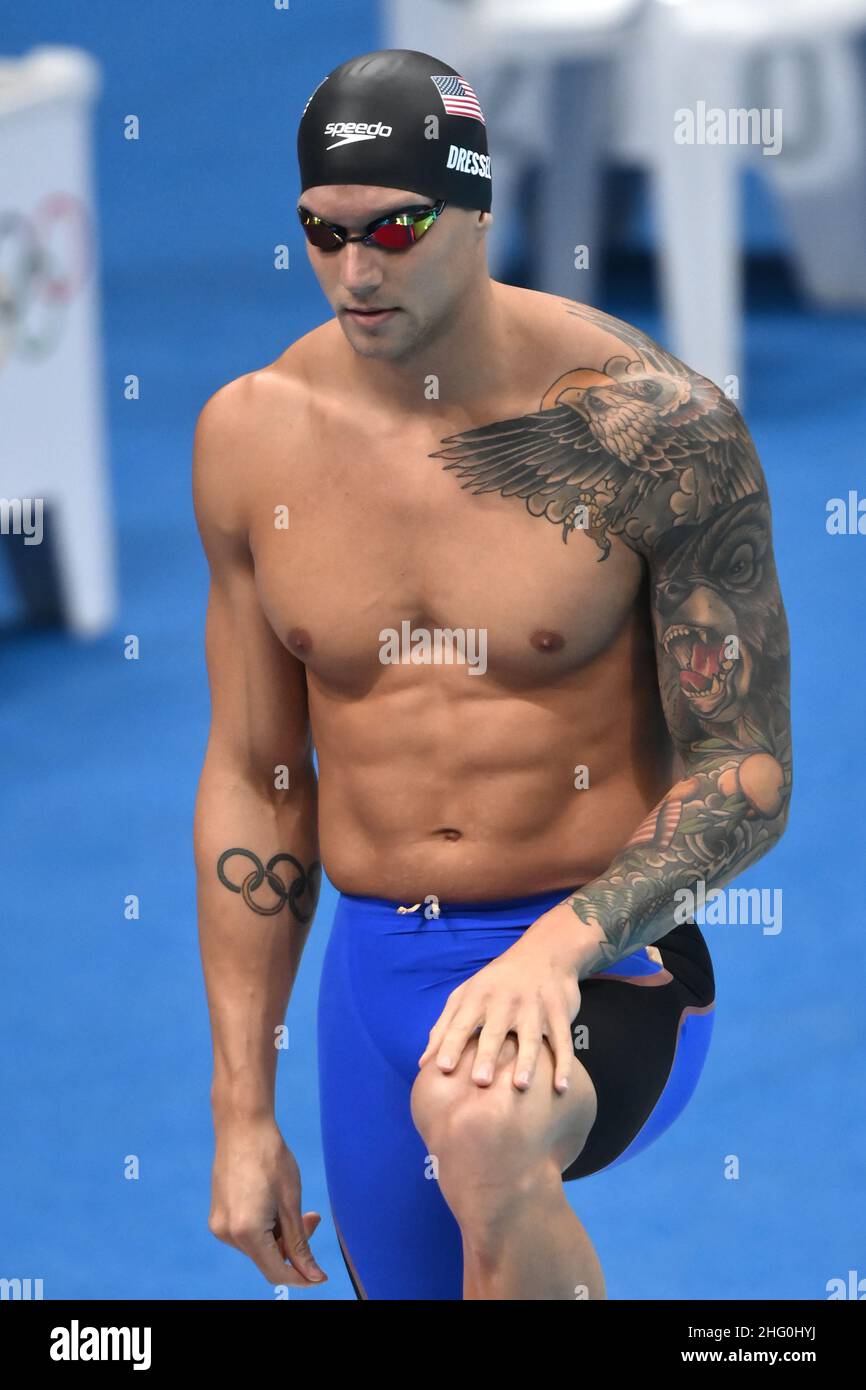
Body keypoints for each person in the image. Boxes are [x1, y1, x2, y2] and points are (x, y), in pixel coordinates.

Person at [192, 48, 792, 1301]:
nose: (357, 270)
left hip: (599, 953)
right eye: (324, 232)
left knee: (479, 1119)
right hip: (375, 969)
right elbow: (258, 780)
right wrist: (240, 1109)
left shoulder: (651, 428)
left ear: (476, 210)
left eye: (397, 228)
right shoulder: (249, 438)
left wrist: (553, 948)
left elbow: (744, 775)